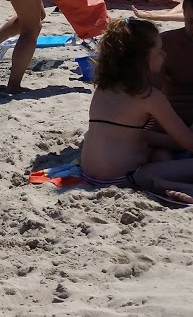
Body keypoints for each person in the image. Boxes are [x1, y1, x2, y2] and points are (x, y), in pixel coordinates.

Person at [77, 18, 193, 204]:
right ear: (142, 58)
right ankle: (178, 187)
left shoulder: (104, 87)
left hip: (90, 174)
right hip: (125, 179)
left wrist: (170, 143)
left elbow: (135, 135)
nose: (164, 54)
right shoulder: (149, 97)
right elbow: (189, 143)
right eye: (159, 51)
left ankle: (167, 181)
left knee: (161, 153)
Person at [131, 0, 193, 124]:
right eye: (192, 21)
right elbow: (147, 93)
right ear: (183, 12)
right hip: (173, 114)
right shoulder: (166, 44)